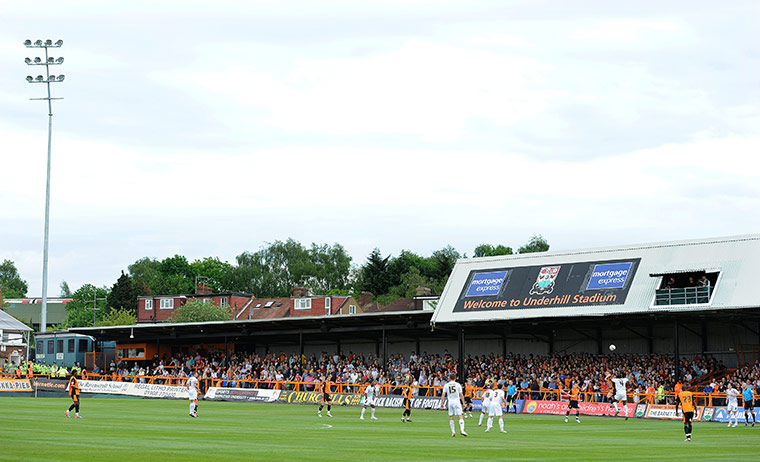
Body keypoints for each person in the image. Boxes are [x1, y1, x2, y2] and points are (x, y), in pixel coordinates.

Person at [440, 373, 468, 437]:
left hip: (450, 402)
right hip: (456, 401)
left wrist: (442, 402)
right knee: (460, 415)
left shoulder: (446, 385)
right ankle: (462, 430)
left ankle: (453, 432)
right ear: (455, 378)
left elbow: (443, 394)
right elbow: (461, 395)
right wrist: (463, 403)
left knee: (451, 417)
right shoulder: (458, 385)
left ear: (449, 378)